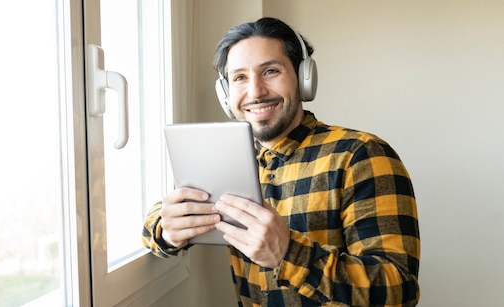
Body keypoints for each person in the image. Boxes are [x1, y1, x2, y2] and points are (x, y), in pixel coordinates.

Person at [142, 17, 420, 306]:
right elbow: (155, 222)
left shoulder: (360, 155)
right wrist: (167, 230)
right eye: (239, 78)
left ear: (303, 79)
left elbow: (399, 289)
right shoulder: (228, 158)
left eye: (271, 71)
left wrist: (288, 253)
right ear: (225, 94)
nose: (255, 92)